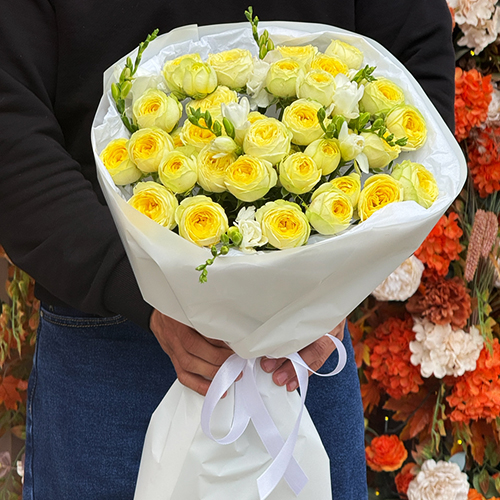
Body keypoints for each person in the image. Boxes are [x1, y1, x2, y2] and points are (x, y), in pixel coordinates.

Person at [0, 0, 455, 498]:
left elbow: (414, 59)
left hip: (302, 344)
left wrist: (336, 282)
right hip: (112, 342)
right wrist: (135, 284)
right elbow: (11, 120)